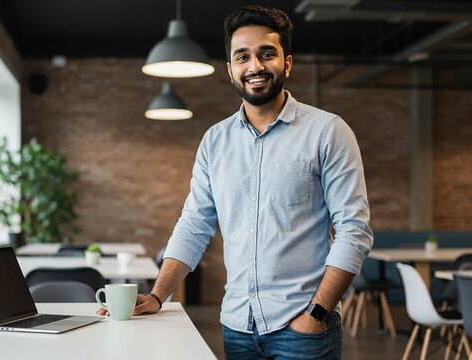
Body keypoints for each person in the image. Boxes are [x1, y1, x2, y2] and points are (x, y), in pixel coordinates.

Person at [98, 5, 373, 359]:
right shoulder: (215, 141)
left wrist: (317, 314)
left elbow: (354, 230)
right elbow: (195, 224)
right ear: (230, 70)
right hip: (238, 327)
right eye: (243, 57)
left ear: (286, 63)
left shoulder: (327, 132)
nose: (255, 66)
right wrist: (157, 295)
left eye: (267, 54)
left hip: (303, 330)